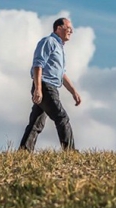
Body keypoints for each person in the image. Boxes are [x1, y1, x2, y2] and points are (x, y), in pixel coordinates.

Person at [19, 17, 81, 152]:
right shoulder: (49, 42)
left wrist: (74, 92)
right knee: (62, 117)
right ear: (59, 28)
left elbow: (62, 74)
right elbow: (37, 65)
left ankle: (24, 151)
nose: (71, 32)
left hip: (50, 87)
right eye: (68, 28)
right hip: (45, 86)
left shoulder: (60, 47)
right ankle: (70, 152)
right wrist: (38, 89)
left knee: (36, 122)